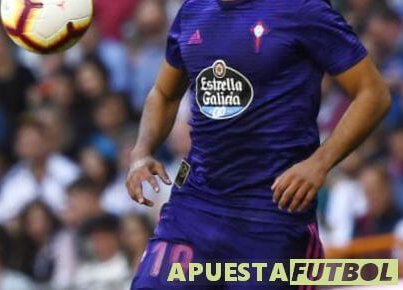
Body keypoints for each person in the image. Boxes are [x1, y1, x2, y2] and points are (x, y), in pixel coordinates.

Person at [126, 0, 391, 289]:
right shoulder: (193, 10)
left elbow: (373, 93)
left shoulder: (301, 9)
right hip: (195, 203)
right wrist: (142, 151)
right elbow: (164, 92)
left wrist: (320, 162)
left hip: (272, 211)